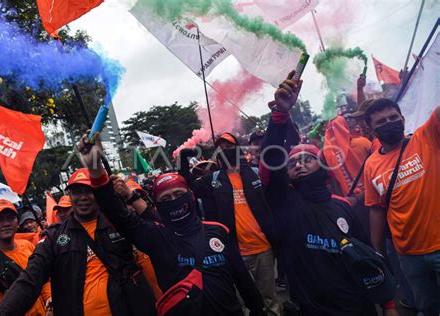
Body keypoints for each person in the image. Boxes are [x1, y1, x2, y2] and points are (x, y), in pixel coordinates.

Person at [76, 132, 266, 316]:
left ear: (191, 196)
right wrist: (95, 170)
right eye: (166, 197)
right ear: (158, 204)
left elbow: (244, 281)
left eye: (178, 194)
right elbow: (118, 216)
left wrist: (258, 309)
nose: (173, 200)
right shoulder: (157, 237)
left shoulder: (218, 231)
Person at [260, 71, 398, 316]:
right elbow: (270, 160)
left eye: (307, 160)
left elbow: (367, 254)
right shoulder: (285, 203)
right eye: (293, 163)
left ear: (322, 166)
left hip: (359, 307)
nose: (299, 165)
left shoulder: (343, 206)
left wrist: (388, 304)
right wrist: (280, 114)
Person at [0, 168, 156, 316]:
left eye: (88, 191)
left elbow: (159, 235)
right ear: (70, 195)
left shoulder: (118, 222)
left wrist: (128, 196)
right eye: (77, 192)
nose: (83, 197)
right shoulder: (54, 237)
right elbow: (29, 280)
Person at [179, 133, 281, 316]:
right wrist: (183, 160)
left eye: (229, 146)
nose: (225, 150)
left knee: (270, 299)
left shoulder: (257, 172)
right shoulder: (213, 179)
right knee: (244, 301)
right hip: (232, 252)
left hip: (262, 248)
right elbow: (189, 186)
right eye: (221, 147)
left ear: (238, 148)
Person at [363, 98, 440, 315]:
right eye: (381, 121)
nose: (389, 123)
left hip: (438, 244)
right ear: (371, 129)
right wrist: (376, 251)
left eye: (393, 118)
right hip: (406, 253)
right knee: (426, 306)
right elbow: (376, 209)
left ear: (403, 119)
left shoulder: (427, 137)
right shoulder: (371, 165)